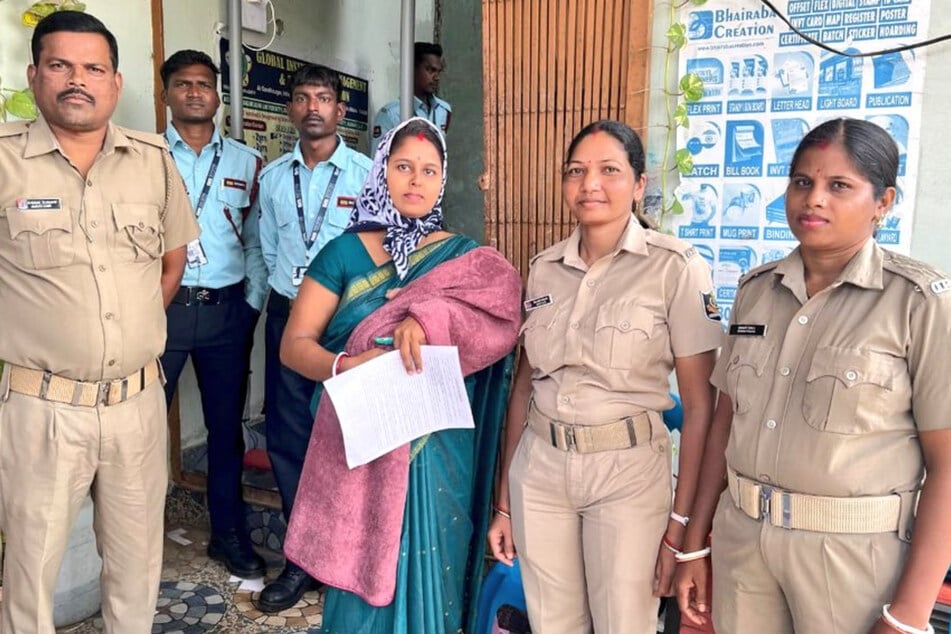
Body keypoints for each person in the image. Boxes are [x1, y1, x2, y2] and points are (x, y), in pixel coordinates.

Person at [675, 118, 951, 634]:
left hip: (851, 561)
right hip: (743, 548)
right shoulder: (756, 291)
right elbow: (724, 425)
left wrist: (909, 615)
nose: (814, 199)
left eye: (839, 185)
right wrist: (695, 544)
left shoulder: (918, 303)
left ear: (883, 202)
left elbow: (948, 467)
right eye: (803, 181)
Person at [277, 117, 522, 633]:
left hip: (439, 449)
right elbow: (294, 346)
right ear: (381, 171)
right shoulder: (344, 253)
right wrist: (345, 365)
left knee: (437, 562)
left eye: (429, 170)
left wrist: (430, 315)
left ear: (442, 180)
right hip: (363, 441)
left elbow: (502, 316)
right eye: (403, 166)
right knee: (361, 578)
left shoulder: (464, 258)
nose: (415, 180)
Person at [0, 11, 198, 632]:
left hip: (137, 406)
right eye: (60, 65)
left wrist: (125, 335)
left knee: (137, 569)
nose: (76, 80)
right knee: (29, 575)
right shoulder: (5, 161)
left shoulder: (152, 159)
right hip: (42, 409)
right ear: (34, 75)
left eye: (93, 68)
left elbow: (171, 263)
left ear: (115, 82)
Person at [487, 120, 722, 634]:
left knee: (623, 623)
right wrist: (504, 501)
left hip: (627, 474)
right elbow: (524, 388)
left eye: (609, 170)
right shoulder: (544, 268)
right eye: (576, 171)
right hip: (541, 471)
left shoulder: (674, 268)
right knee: (552, 623)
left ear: (639, 184)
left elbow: (702, 406)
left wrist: (681, 527)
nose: (589, 184)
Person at [256, 63, 372, 611]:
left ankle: (345, 554)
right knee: (288, 438)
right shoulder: (274, 178)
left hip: (347, 325)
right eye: (302, 98)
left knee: (350, 438)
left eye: (323, 98)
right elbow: (267, 249)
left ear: (340, 110)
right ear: (290, 109)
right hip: (287, 317)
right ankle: (301, 559)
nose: (312, 108)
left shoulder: (368, 176)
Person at [159, 49, 268, 579]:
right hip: (162, 312)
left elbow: (256, 241)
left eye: (204, 84)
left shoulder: (247, 163)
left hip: (226, 314)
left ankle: (229, 535)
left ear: (218, 95)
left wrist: (251, 307)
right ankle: (134, 541)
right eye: (183, 84)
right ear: (166, 94)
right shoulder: (145, 156)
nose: (195, 92)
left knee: (226, 432)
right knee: (138, 431)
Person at [371, 42, 451, 154]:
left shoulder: (443, 110)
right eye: (430, 70)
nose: (437, 77)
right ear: (412, 69)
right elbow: (378, 159)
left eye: (438, 71)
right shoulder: (391, 114)